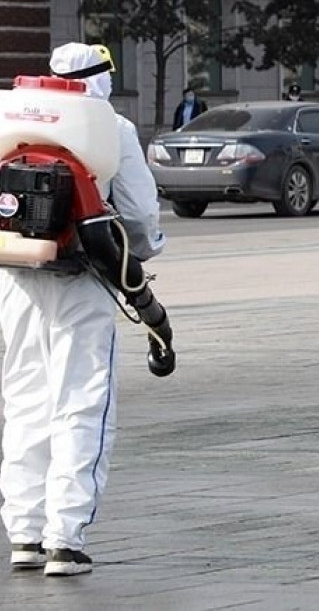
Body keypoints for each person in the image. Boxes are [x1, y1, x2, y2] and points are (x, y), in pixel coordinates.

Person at [1, 42, 166, 576]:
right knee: (82, 403)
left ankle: (23, 534)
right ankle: (64, 540)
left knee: (25, 403)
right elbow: (140, 215)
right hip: (83, 277)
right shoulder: (110, 126)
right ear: (104, 78)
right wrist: (140, 256)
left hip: (18, 275)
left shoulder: (17, 113)